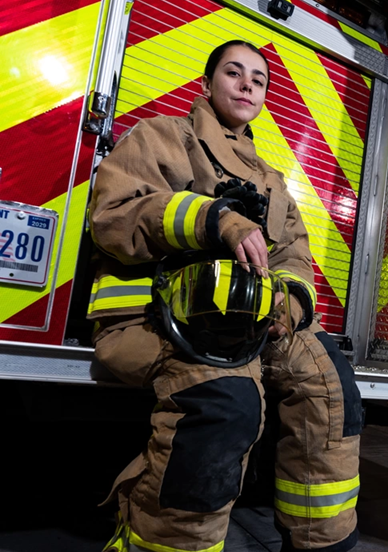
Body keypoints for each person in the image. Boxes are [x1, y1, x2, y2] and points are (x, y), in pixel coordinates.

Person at [88, 41, 361, 552]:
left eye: (257, 80)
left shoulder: (274, 183)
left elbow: (295, 260)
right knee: (226, 404)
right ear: (207, 84)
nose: (246, 85)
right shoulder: (162, 137)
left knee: (332, 385)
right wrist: (212, 219)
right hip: (159, 321)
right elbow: (112, 217)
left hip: (251, 328)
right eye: (234, 73)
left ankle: (322, 543)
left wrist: (293, 306)